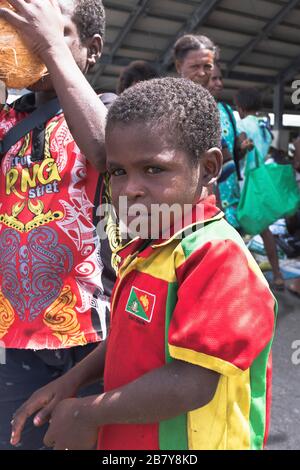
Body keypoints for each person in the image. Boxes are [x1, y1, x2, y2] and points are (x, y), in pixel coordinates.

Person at [11, 78, 276, 451]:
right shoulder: (148, 246)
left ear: (209, 166)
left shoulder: (215, 256)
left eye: (153, 170)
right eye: (118, 172)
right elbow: (128, 336)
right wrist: (72, 380)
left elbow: (191, 382)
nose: (129, 189)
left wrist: (88, 412)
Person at [0, 0, 118, 450]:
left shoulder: (108, 109)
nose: (37, 43)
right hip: (12, 340)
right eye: (29, 35)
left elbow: (107, 153)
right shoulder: (8, 120)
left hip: (87, 340)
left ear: (92, 49)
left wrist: (50, 47)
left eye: (55, 31)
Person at [234, 87, 285, 290]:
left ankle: (239, 279)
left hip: (244, 184)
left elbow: (240, 149)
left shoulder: (242, 124)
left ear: (241, 106)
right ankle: (278, 274)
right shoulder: (264, 126)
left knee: (234, 230)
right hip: (261, 183)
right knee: (265, 231)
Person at [208, 63, 253, 229]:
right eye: (214, 78)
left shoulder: (226, 110)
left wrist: (243, 147)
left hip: (231, 193)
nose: (219, 83)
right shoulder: (193, 108)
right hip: (209, 195)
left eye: (220, 78)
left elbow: (234, 153)